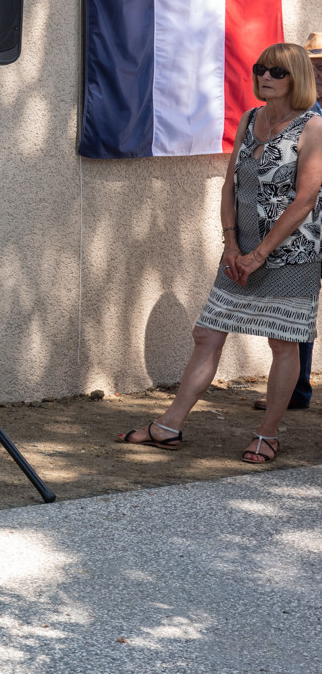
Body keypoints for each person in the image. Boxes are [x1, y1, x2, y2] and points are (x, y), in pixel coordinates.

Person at [119, 42, 322, 463]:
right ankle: (168, 426)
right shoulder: (250, 118)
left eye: (278, 71)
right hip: (240, 251)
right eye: (261, 68)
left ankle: (267, 435)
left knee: (283, 342)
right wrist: (231, 243)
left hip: (291, 254)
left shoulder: (314, 127)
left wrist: (260, 254)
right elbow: (231, 186)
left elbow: (304, 200)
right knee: (207, 334)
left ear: (297, 78)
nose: (265, 76)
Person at [254, 31, 322, 413]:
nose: (320, 72)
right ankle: (296, 391)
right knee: (298, 311)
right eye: (315, 65)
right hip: (306, 230)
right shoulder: (299, 116)